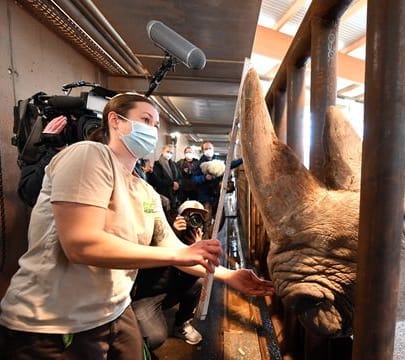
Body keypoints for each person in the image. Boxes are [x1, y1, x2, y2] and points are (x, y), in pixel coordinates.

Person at [0, 92, 273, 359]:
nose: (152, 130)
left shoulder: (144, 190)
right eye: (145, 120)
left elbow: (173, 247)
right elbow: (81, 245)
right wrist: (177, 254)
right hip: (53, 321)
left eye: (155, 124)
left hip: (114, 310)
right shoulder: (88, 155)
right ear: (115, 121)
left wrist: (229, 276)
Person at [131, 200, 208, 349]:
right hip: (147, 295)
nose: (193, 222)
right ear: (178, 217)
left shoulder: (197, 240)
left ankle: (181, 324)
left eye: (198, 218)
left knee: (198, 282)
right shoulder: (161, 233)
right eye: (189, 216)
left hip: (170, 290)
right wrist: (173, 233)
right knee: (154, 338)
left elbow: (200, 271)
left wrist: (198, 248)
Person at [192, 141, 243, 237]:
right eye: (206, 149)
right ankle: (206, 241)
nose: (208, 151)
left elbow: (229, 165)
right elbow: (194, 179)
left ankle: (210, 236)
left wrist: (242, 160)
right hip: (205, 197)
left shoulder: (217, 163)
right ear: (202, 150)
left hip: (217, 197)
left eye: (210, 148)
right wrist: (204, 178)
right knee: (206, 221)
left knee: (220, 219)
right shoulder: (199, 164)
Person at [150, 145, 182, 215]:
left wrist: (178, 183)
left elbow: (180, 177)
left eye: (171, 153)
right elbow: (158, 180)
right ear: (162, 151)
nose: (169, 154)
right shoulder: (157, 164)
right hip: (163, 193)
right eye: (167, 151)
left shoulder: (174, 164)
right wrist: (172, 183)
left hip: (174, 195)